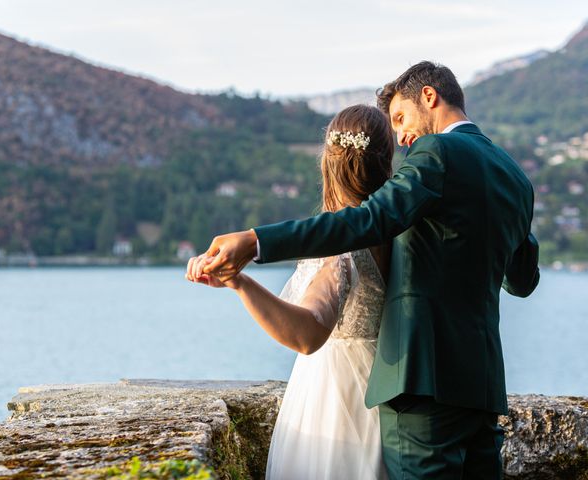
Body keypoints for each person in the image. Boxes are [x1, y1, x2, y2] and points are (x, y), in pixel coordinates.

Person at [193, 62, 540, 479]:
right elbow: (521, 280)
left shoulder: (437, 154)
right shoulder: (515, 177)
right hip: (482, 389)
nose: (401, 136)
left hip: (423, 385)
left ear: (429, 97)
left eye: (400, 118)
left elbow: (367, 221)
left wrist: (256, 241)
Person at [186, 105, 395, 479]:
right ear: (386, 161)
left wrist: (239, 282)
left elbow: (307, 334)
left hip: (336, 402)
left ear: (327, 164)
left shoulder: (340, 249)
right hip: (384, 393)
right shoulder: (394, 236)